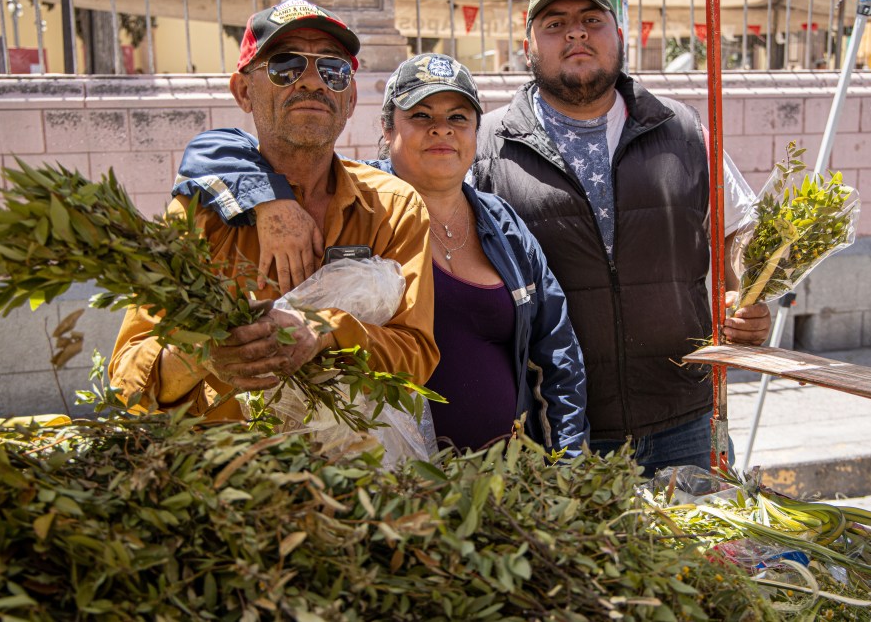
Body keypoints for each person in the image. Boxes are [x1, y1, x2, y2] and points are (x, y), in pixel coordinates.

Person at [173, 53, 589, 455]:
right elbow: (216, 150)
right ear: (388, 129)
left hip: (505, 480)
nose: (441, 129)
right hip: (389, 482)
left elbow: (556, 354)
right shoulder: (360, 207)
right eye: (421, 115)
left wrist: (568, 464)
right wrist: (269, 199)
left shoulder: (505, 227)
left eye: (458, 118)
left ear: (476, 132)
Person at [471, 0, 771, 474]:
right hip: (560, 431)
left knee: (702, 553)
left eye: (592, 19)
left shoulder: (682, 130)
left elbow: (740, 229)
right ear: (528, 48)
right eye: (554, 24)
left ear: (621, 36)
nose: (576, 33)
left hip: (686, 419)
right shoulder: (489, 149)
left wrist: (750, 298)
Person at [109, 0, 438, 419]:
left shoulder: (394, 208)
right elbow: (127, 380)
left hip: (352, 469)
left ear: (351, 98)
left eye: (333, 70)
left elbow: (417, 355)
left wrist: (325, 332)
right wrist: (204, 353)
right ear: (244, 91)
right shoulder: (198, 216)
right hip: (226, 471)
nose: (313, 82)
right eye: (287, 66)